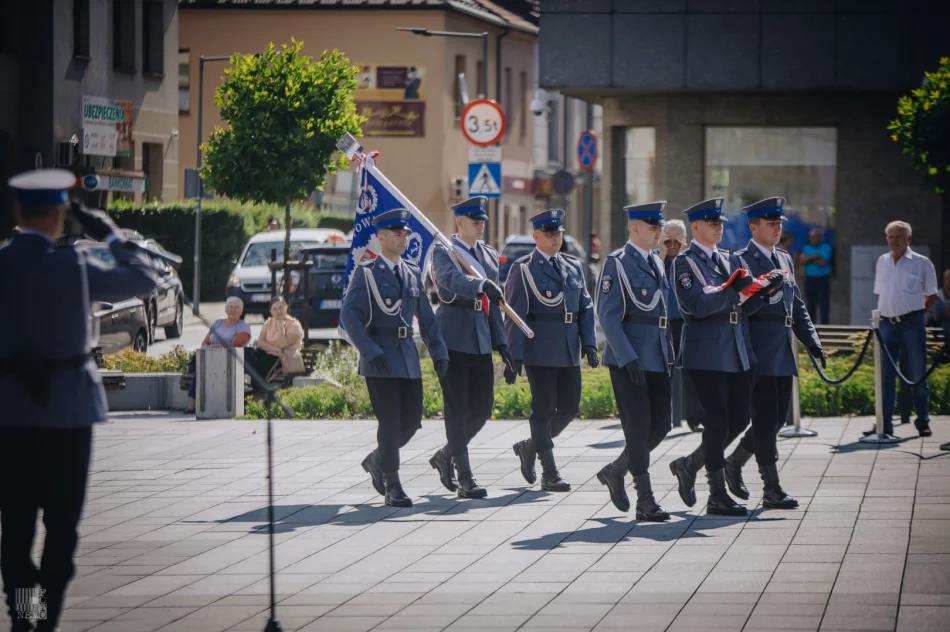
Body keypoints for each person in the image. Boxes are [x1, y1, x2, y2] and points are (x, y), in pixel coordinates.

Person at [0, 169, 159, 632]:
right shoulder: (74, 265)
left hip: (9, 413)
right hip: (68, 413)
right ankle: (45, 620)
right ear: (57, 216)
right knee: (62, 529)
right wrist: (109, 235)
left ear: (17, 213)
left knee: (16, 531)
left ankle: (25, 618)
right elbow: (143, 280)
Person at [667, 198, 781, 517]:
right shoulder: (685, 263)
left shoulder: (728, 259)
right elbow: (696, 306)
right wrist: (735, 291)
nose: (719, 227)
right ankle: (716, 493)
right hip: (704, 352)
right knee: (716, 421)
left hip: (734, 350)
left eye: (720, 223)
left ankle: (689, 464)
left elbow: (738, 307)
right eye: (712, 223)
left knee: (741, 417)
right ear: (696, 227)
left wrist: (761, 295)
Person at [340, 209, 449, 507]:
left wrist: (438, 351)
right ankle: (393, 484)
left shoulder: (412, 271)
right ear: (381, 237)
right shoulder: (367, 273)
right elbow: (349, 316)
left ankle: (378, 459)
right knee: (389, 423)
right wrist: (370, 351)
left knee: (412, 422)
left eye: (404, 234)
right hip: (379, 357)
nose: (403, 239)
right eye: (396, 234)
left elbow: (426, 317)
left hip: (407, 356)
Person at [730, 198, 824, 510]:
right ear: (753, 226)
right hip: (758, 345)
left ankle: (734, 462)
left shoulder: (784, 258)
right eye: (770, 224)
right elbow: (740, 309)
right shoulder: (741, 260)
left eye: (778, 223)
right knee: (766, 416)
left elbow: (796, 304)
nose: (776, 228)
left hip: (782, 346)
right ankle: (771, 486)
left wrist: (811, 340)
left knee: (778, 418)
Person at [504, 209, 598, 492]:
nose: (556, 237)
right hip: (540, 348)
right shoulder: (523, 269)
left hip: (569, 347)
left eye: (558, 233)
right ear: (536, 237)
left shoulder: (571, 265)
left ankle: (531, 446)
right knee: (543, 410)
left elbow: (585, 307)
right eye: (549, 233)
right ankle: (550, 471)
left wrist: (590, 343)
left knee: (569, 408)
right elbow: (514, 315)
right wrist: (514, 356)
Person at [428, 197, 512, 499]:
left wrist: (502, 343)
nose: (480, 225)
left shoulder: (488, 255)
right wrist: (479, 286)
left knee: (482, 407)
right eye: (474, 221)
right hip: (453, 337)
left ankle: (446, 455)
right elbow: (449, 282)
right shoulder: (443, 251)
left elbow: (494, 304)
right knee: (457, 409)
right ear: (459, 223)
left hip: (480, 338)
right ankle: (465, 477)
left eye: (482, 221)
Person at [594, 202, 673, 520]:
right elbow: (609, 316)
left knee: (662, 426)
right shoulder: (617, 263)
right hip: (629, 359)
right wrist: (628, 358)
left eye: (660, 227)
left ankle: (616, 470)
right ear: (635, 228)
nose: (658, 232)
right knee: (638, 429)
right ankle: (645, 499)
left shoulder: (657, 262)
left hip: (657, 356)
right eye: (653, 227)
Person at [870, 221, 938, 438]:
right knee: (886, 378)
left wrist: (917, 316)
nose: (894, 241)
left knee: (917, 374)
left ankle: (923, 422)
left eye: (898, 237)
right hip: (887, 324)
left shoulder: (922, 262)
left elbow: (933, 295)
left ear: (909, 238)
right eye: (890, 237)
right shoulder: (882, 261)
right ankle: (885, 424)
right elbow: (881, 292)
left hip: (912, 324)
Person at [661, 219, 702, 433]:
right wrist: (661, 253)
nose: (673, 244)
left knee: (690, 371)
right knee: (663, 371)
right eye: (668, 239)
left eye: (678, 239)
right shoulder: (656, 261)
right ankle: (664, 417)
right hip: (662, 324)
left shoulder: (691, 261)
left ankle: (694, 418)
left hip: (686, 323)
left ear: (685, 240)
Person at [185, 297, 252, 412]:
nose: (233, 310)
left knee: (205, 368)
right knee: (201, 369)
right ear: (225, 309)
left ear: (241, 311)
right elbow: (205, 342)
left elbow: (235, 345)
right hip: (210, 357)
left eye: (237, 308)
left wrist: (213, 348)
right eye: (230, 307)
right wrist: (207, 348)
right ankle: (193, 404)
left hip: (231, 359)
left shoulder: (243, 326)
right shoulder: (217, 323)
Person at [245, 296, 304, 381]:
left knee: (262, 362)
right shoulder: (268, 322)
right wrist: (275, 349)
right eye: (275, 309)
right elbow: (261, 342)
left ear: (286, 308)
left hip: (283, 359)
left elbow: (282, 345)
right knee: (247, 352)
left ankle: (248, 381)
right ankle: (246, 381)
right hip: (272, 352)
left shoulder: (294, 324)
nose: (278, 311)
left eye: (281, 308)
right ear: (271, 311)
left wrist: (280, 326)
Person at [801, 228, 832, 324]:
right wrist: (815, 257)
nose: (813, 239)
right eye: (811, 237)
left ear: (820, 238)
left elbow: (822, 263)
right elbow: (802, 261)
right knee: (810, 305)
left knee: (823, 306)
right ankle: (811, 328)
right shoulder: (806, 248)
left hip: (823, 280)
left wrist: (809, 259)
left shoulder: (826, 247)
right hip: (809, 280)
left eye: (815, 237)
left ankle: (825, 328)